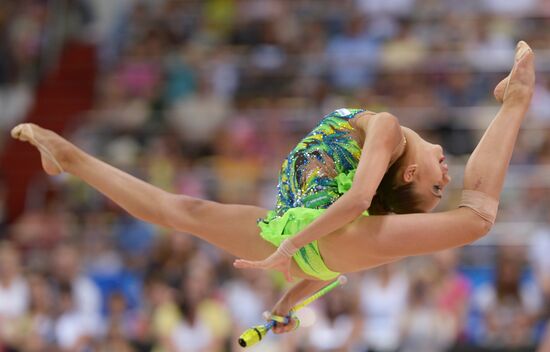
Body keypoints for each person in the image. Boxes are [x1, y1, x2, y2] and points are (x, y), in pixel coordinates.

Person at [11, 41, 535, 334]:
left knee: (476, 220)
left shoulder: (390, 128)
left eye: (439, 184)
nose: (448, 172)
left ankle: (517, 99)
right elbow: (338, 248)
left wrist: (288, 249)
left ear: (409, 175)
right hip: (307, 235)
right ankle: (70, 156)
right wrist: (288, 299)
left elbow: (354, 206)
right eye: (446, 180)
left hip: (301, 232)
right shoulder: (377, 167)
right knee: (184, 208)